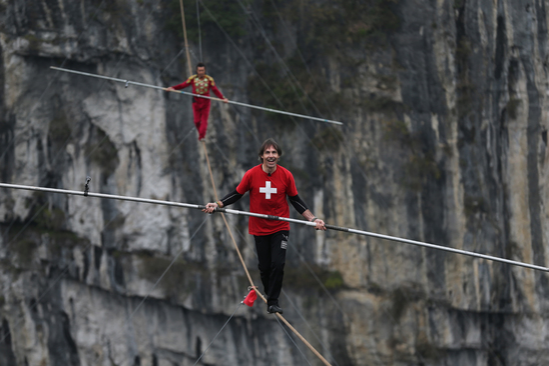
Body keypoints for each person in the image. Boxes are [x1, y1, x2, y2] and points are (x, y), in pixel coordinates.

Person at [203, 138, 326, 314]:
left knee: (278, 264)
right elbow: (237, 194)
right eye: (267, 152)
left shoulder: (286, 175)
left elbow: (295, 200)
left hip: (280, 227)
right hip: (259, 228)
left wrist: (313, 219)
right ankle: (270, 294)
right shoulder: (251, 174)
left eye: (274, 153)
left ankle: (273, 301)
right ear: (261, 156)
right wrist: (217, 204)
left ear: (279, 156)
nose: (271, 156)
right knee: (265, 267)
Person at [167, 62, 228, 140]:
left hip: (206, 102)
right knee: (196, 121)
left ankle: (202, 136)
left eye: (202, 70)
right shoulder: (192, 79)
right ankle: (201, 132)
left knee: (204, 120)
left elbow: (215, 90)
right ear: (197, 71)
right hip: (196, 102)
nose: (201, 72)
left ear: (205, 71)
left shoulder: (209, 80)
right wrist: (173, 88)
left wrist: (223, 98)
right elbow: (183, 85)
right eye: (199, 70)